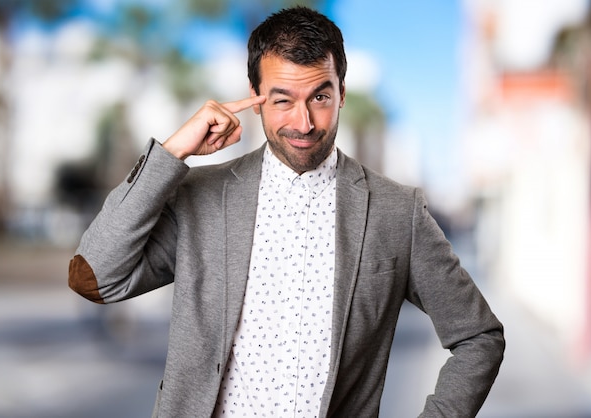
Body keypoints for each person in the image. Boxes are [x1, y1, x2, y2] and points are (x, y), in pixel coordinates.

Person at [68, 6, 504, 417]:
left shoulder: (396, 211)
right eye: (282, 100)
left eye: (319, 96)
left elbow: (478, 337)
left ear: (341, 95)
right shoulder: (200, 198)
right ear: (255, 97)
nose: (304, 122)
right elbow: (95, 277)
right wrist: (172, 153)